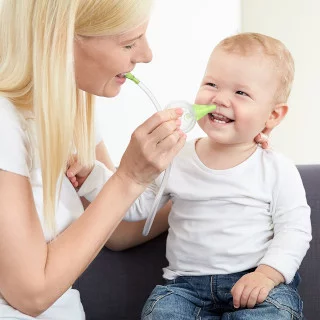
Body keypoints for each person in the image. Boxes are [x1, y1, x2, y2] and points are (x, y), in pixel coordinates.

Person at [0, 1, 188, 319]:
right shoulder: (5, 120)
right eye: (129, 42)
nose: (146, 55)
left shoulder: (69, 106)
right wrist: (128, 178)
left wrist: (209, 184)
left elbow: (118, 228)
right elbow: (31, 294)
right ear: (62, 39)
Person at [120, 33, 311, 319]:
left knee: (275, 314)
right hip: (185, 288)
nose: (219, 98)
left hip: (256, 284)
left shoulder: (276, 169)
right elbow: (137, 207)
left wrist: (267, 275)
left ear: (272, 116)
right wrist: (91, 177)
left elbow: (294, 230)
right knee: (160, 312)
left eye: (241, 93)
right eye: (211, 84)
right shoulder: (176, 156)